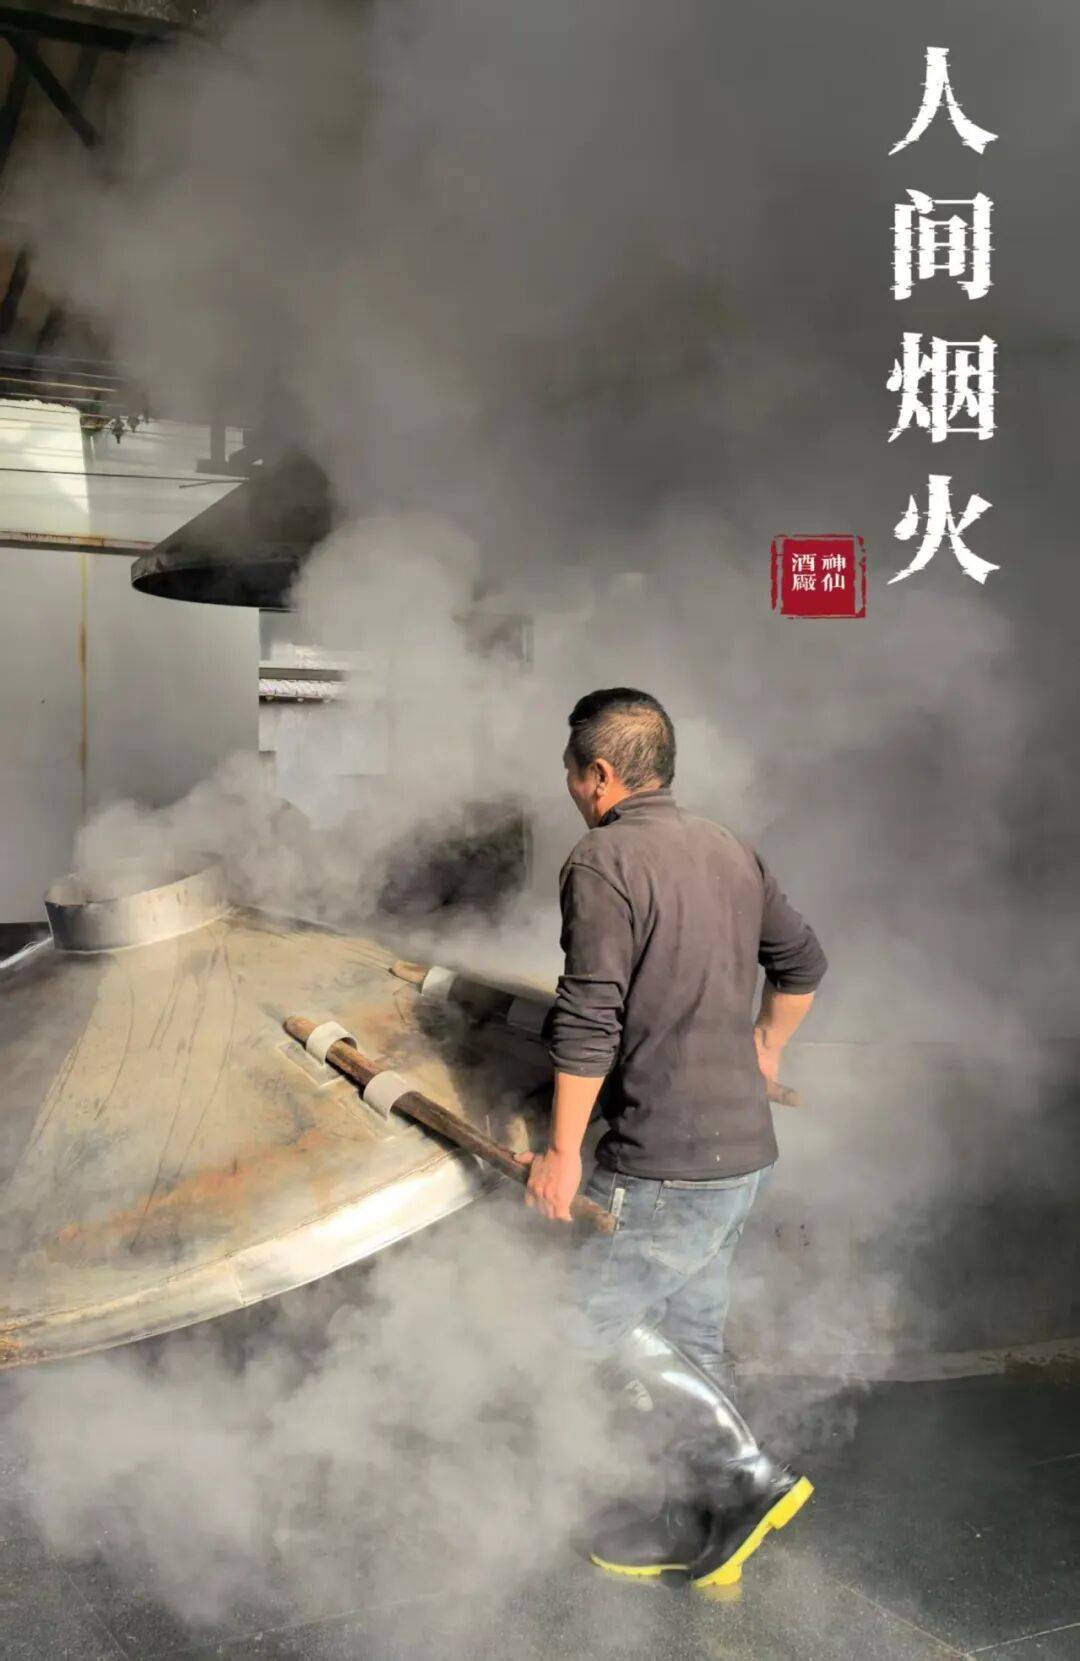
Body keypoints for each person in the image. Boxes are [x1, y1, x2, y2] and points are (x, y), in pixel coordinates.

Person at [517, 687, 827, 1591]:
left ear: (599, 774)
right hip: (744, 1154)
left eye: (572, 773)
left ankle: (746, 1476)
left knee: (580, 1326)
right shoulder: (729, 847)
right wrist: (765, 1048)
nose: (572, 790)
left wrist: (562, 1154)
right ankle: (710, 1523)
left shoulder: (603, 858)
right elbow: (803, 963)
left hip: (664, 1162)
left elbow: (589, 1020)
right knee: (691, 1333)